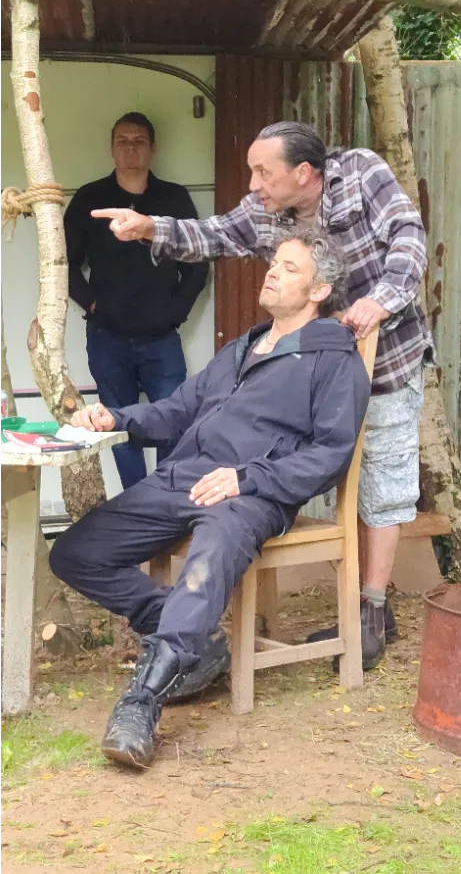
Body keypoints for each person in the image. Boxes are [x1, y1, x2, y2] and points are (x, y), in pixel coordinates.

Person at [91, 121, 434, 671]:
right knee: (322, 471)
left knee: (380, 488)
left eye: (262, 172)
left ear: (304, 172)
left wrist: (383, 300)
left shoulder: (361, 172)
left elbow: (409, 237)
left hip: (388, 357)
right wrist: (149, 227)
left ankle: (371, 610)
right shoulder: (265, 211)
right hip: (310, 369)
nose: (252, 185)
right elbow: (214, 235)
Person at [50, 229, 371, 770]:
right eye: (274, 262)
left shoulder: (335, 360)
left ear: (319, 291)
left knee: (210, 553)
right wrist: (116, 418)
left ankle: (141, 702)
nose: (272, 271)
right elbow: (177, 410)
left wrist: (247, 478)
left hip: (250, 495)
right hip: (183, 478)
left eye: (290, 268)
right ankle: (188, 633)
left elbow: (330, 455)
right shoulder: (241, 348)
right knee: (74, 552)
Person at [64, 111, 208, 489]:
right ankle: (136, 504)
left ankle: (165, 504)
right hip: (107, 335)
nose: (131, 149)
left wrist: (175, 312)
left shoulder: (173, 198)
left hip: (162, 337)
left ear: (153, 149)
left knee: (174, 422)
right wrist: (92, 305)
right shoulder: (90, 199)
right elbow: (64, 264)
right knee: (115, 426)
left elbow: (196, 263)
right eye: (123, 142)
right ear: (112, 148)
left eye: (139, 141)